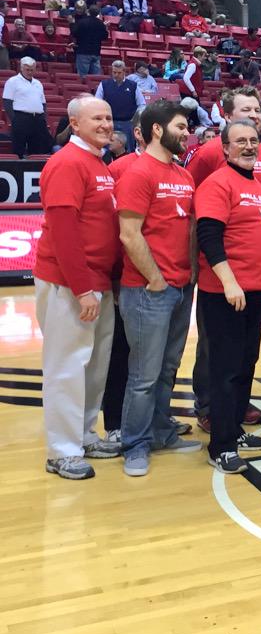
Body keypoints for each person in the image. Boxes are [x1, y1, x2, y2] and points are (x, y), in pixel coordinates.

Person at [34, 96, 122, 479]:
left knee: (94, 367)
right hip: (68, 283)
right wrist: (82, 288)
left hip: (97, 281)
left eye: (108, 118)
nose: (105, 124)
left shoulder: (98, 163)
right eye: (96, 118)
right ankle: (62, 451)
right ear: (74, 123)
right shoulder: (67, 163)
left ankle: (84, 435)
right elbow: (64, 230)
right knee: (66, 367)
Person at [114, 100, 203, 476]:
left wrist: (190, 271)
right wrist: (154, 278)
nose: (187, 133)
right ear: (157, 129)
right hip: (148, 290)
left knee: (167, 368)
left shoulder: (183, 175)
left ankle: (161, 432)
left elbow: (189, 228)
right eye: (181, 127)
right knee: (144, 375)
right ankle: (134, 444)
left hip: (181, 287)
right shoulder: (138, 173)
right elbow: (129, 234)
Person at [194, 120, 261, 473]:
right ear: (225, 148)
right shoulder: (217, 184)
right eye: (240, 141)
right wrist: (230, 282)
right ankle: (221, 446)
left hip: (257, 291)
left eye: (253, 140)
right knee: (225, 368)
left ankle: (234, 429)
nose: (249, 146)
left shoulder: (258, 186)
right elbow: (209, 236)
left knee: (246, 363)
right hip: (226, 293)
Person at [3, 57, 51, 158]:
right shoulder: (12, 81)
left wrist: (43, 117)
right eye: (27, 70)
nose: (30, 72)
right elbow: (7, 102)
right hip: (21, 117)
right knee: (19, 148)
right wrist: (15, 119)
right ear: (21, 68)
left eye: (32, 70)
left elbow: (43, 103)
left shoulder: (38, 83)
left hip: (38, 119)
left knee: (37, 149)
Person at [95, 60, 146, 147]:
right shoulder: (104, 84)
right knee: (108, 148)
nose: (116, 75)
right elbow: (97, 103)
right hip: (109, 122)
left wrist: (135, 119)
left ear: (124, 71)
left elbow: (142, 104)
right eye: (114, 72)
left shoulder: (133, 85)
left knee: (129, 148)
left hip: (128, 123)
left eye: (119, 73)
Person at [70, 5, 108, 78]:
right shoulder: (101, 24)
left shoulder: (82, 22)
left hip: (83, 52)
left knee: (82, 77)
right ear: (98, 13)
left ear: (88, 11)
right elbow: (105, 37)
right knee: (95, 78)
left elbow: (74, 33)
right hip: (96, 52)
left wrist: (72, 24)